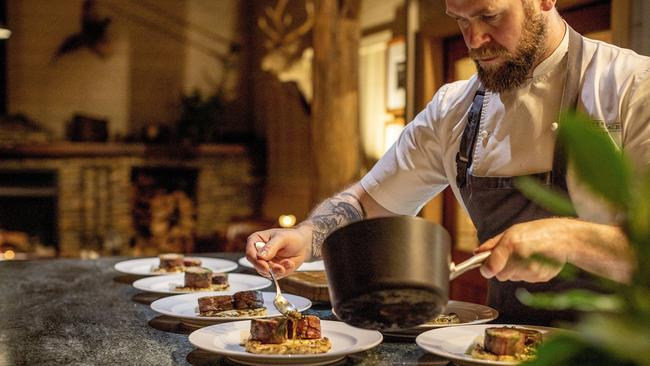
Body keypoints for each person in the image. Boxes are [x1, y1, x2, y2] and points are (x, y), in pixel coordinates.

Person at [246, 0, 650, 325]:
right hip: (500, 344)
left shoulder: (633, 87)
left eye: (488, 16)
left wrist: (565, 239)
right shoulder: (451, 108)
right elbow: (367, 203)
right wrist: (306, 235)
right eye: (459, 20)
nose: (475, 40)